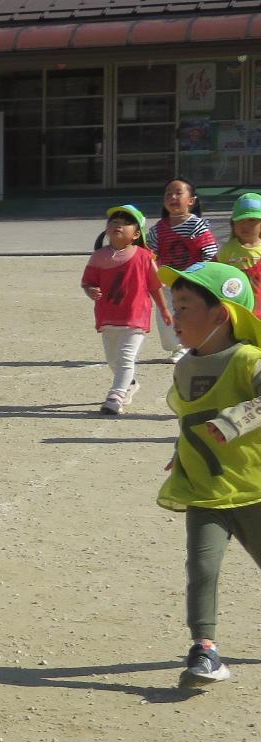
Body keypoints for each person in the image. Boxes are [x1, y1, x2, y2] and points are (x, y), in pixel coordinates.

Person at [155, 260, 261, 687]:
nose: (174, 316)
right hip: (204, 490)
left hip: (254, 489)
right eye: (173, 305)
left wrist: (236, 420)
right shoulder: (183, 367)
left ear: (221, 316)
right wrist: (183, 451)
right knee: (202, 569)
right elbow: (192, 420)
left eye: (184, 306)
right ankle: (205, 649)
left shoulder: (247, 359)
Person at [80, 204, 167, 416]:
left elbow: (155, 286)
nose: (118, 225)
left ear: (136, 234)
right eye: (114, 222)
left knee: (126, 357)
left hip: (135, 318)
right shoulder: (98, 256)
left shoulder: (145, 257)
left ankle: (115, 396)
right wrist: (91, 291)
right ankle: (130, 383)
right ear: (107, 229)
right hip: (108, 317)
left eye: (125, 223)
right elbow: (88, 282)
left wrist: (165, 310)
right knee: (113, 359)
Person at [152, 178, 218, 355]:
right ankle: (176, 346)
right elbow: (149, 254)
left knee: (189, 314)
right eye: (168, 194)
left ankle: (186, 346)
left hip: (191, 281)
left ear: (191, 201)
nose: (172, 197)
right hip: (166, 281)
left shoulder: (198, 226)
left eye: (178, 193)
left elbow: (210, 253)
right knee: (164, 316)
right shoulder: (158, 228)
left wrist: (202, 277)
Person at [223, 190, 261, 275]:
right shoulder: (229, 248)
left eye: (252, 220)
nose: (244, 225)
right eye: (240, 220)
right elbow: (214, 267)